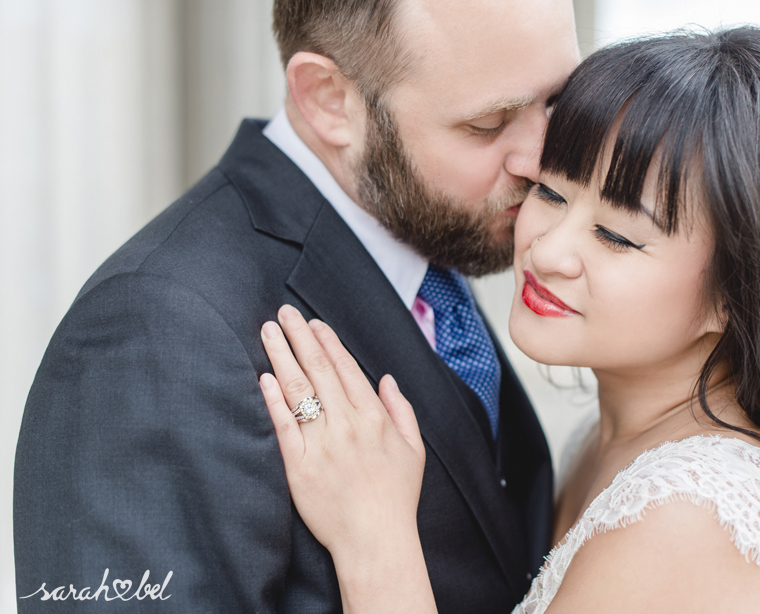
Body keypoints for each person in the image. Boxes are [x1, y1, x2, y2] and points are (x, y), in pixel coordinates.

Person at [259, 28, 760, 613]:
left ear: (739, 292)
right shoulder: (604, 443)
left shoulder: (689, 519)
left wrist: (375, 539)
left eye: (616, 236)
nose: (545, 250)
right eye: (549, 191)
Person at [13, 1, 579, 611]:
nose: (543, 161)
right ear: (328, 98)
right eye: (488, 125)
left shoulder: (429, 232)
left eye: (557, 103)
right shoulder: (156, 330)